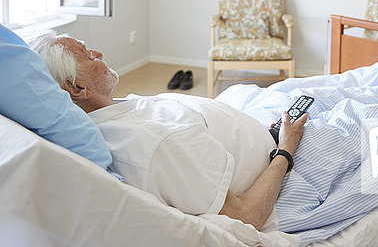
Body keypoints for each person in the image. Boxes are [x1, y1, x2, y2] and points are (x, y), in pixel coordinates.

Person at [30, 31, 307, 231]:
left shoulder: (113, 112)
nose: (100, 54)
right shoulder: (157, 143)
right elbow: (247, 217)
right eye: (90, 55)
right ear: (78, 89)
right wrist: (286, 148)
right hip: (280, 158)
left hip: (252, 121)